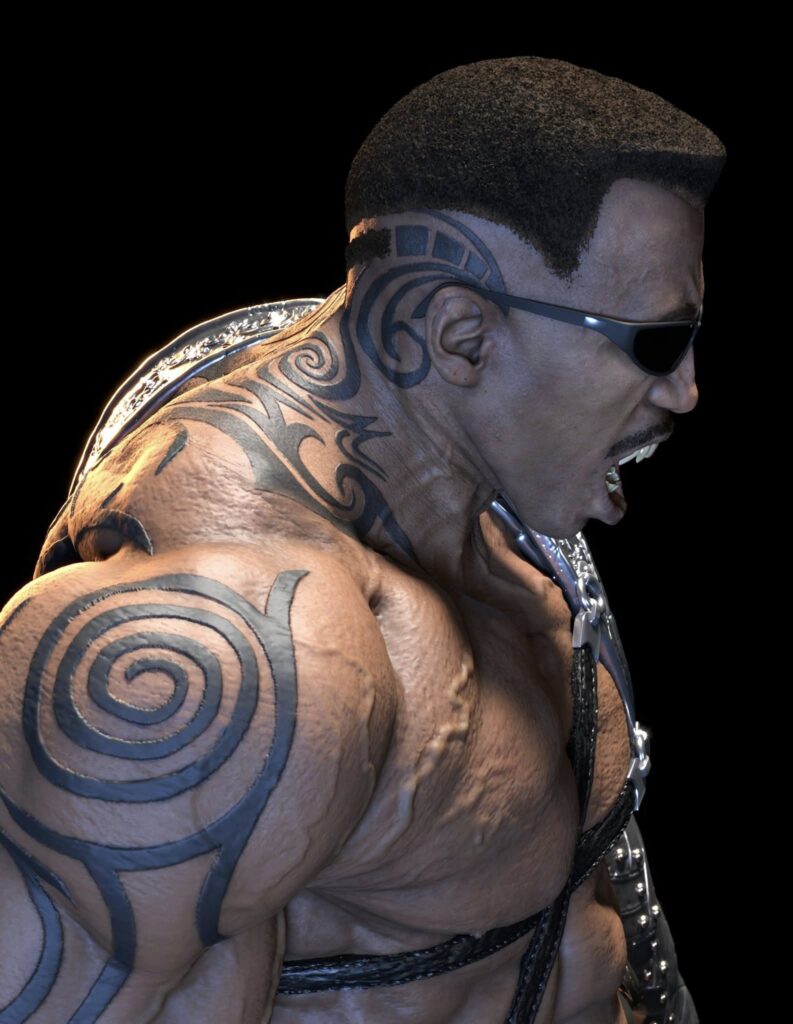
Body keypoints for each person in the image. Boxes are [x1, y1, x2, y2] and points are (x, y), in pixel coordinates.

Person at [0, 56, 724, 1024]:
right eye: (655, 342)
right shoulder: (228, 651)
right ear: (460, 333)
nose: (685, 390)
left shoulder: (474, 496)